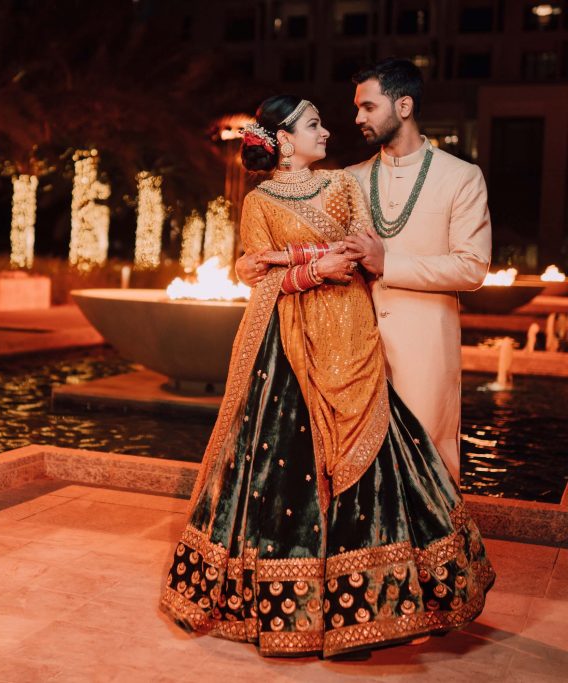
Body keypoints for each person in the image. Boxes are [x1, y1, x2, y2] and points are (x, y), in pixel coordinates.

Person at [160, 95, 493, 658]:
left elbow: (365, 248)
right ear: (284, 140)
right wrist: (311, 268)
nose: (328, 131)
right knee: (284, 467)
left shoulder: (343, 185)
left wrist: (326, 260)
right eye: (314, 124)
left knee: (378, 454)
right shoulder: (261, 200)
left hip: (351, 333)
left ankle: (368, 603)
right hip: (288, 343)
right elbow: (250, 269)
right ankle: (296, 606)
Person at [236, 58, 491, 484]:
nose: (356, 118)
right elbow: (286, 241)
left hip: (423, 349)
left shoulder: (459, 177)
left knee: (426, 473)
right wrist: (260, 264)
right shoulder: (346, 180)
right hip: (344, 347)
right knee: (358, 484)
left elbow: (473, 267)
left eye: (368, 107)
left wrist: (388, 263)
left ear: (404, 106)